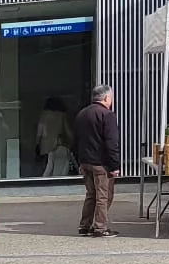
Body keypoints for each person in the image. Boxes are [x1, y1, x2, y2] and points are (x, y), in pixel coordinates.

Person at [73, 84, 121, 237]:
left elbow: (75, 140)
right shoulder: (107, 115)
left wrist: (80, 160)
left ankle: (84, 226)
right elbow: (111, 143)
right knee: (103, 196)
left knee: (91, 194)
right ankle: (100, 227)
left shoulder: (82, 114)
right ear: (106, 98)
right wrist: (115, 166)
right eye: (111, 98)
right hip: (101, 164)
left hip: (85, 161)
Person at [36, 96, 73, 177]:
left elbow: (39, 133)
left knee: (46, 170)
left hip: (45, 147)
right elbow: (67, 131)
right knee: (58, 171)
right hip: (57, 145)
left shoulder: (44, 115)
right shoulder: (62, 115)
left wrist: (37, 145)